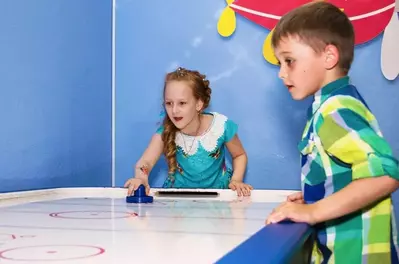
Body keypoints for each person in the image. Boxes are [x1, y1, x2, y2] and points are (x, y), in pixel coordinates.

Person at [265, 2, 399, 263]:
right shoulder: (330, 105)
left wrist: (314, 211)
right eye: (280, 63)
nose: (281, 73)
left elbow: (385, 174)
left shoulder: (335, 108)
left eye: (289, 61)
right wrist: (322, 191)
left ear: (329, 56)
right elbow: (350, 169)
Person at [124, 67, 253, 197]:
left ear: (199, 104)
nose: (174, 110)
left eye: (182, 103)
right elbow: (145, 162)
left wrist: (236, 180)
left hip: (218, 196)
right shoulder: (165, 132)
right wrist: (141, 177)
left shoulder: (221, 127)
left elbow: (239, 155)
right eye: (169, 103)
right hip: (178, 199)